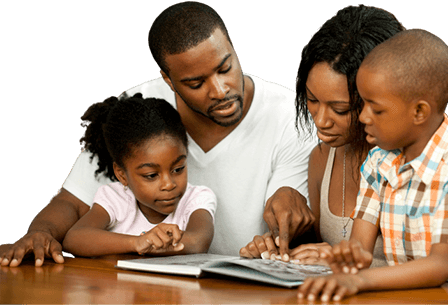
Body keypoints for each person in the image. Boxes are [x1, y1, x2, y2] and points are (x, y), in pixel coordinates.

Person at [0, 2, 317, 267]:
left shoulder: (291, 114)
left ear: (233, 49)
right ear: (168, 79)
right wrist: (39, 233)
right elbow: (72, 202)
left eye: (225, 67)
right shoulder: (138, 109)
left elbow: (290, 212)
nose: (221, 90)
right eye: (196, 83)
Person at [297, 29, 448, 302]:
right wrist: (348, 257)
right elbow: (360, 249)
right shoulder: (379, 162)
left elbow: (439, 266)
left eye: (376, 109)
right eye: (361, 104)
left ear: (419, 112)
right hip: (432, 297)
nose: (363, 117)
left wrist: (359, 279)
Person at [239, 5, 403, 266]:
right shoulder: (322, 158)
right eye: (312, 99)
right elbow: (319, 252)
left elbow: (438, 266)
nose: (320, 120)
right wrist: (280, 247)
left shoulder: (412, 164)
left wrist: (335, 260)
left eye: (340, 109)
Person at [62, 94, 216, 257]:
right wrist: (137, 242)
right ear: (122, 175)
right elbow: (74, 238)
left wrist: (150, 244)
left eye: (178, 169)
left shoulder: (196, 198)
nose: (169, 184)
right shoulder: (115, 198)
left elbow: (198, 242)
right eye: (151, 175)